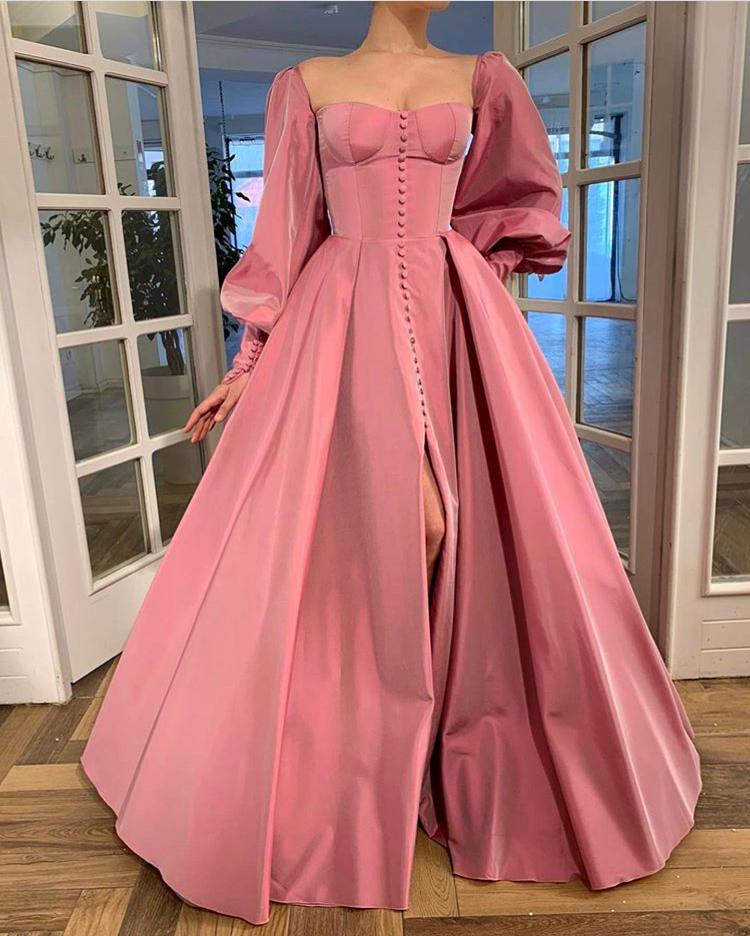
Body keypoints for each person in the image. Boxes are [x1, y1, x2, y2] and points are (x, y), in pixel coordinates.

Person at [80, 1, 702, 926]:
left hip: (455, 319)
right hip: (341, 319)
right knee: (376, 538)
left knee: (467, 534)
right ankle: (356, 760)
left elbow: (514, 203)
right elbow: (285, 233)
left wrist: (472, 290)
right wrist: (250, 363)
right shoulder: (307, 85)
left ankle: (459, 746)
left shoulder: (484, 78)